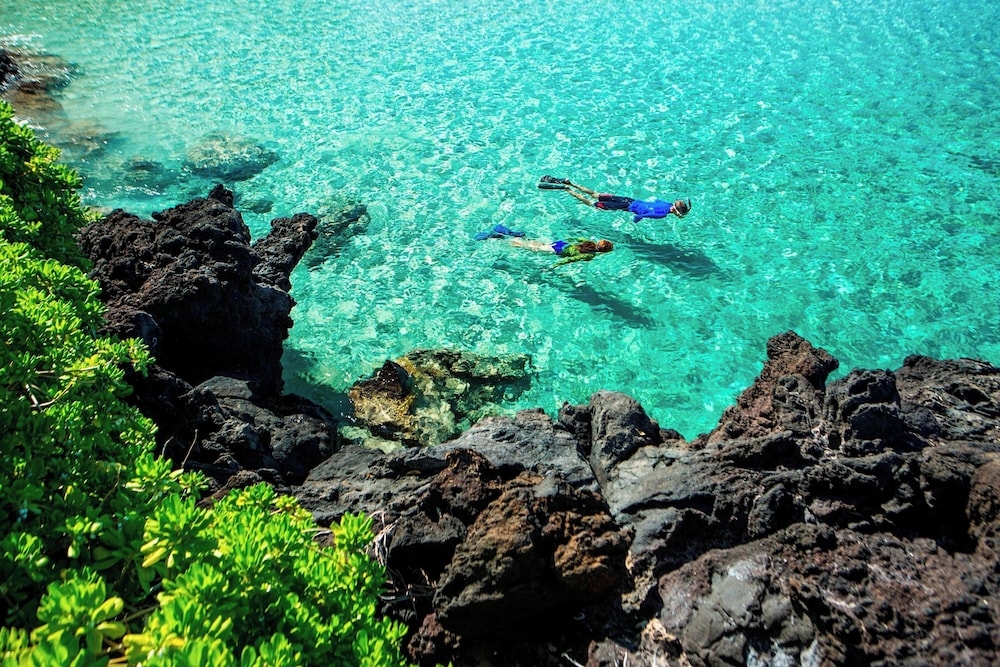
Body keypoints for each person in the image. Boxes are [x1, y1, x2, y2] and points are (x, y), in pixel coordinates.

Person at [538, 175, 691, 222]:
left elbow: (656, 200)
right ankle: (567, 189)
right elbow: (639, 216)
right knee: (593, 204)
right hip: (626, 208)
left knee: (596, 194)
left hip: (629, 200)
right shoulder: (662, 214)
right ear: (677, 211)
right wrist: (636, 221)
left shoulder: (665, 204)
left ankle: (569, 182)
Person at [474, 224, 614, 266]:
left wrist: (569, 239)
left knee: (532, 242)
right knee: (522, 246)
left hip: (560, 243)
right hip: (556, 250)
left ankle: (513, 233)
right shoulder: (590, 255)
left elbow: (575, 237)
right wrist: (556, 265)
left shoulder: (588, 242)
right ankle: (496, 237)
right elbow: (571, 259)